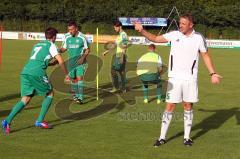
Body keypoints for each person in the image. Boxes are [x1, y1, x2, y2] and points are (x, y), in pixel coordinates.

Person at [134, 13, 222, 146]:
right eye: (180, 23)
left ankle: (187, 138)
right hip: (174, 78)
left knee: (188, 106)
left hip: (190, 79)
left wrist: (213, 73)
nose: (180, 25)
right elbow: (156, 39)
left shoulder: (199, 38)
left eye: (183, 23)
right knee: (169, 106)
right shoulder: (175, 35)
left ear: (191, 25)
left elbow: (205, 56)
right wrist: (142, 31)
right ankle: (162, 137)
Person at [2, 27, 69, 134]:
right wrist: (66, 74)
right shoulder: (51, 45)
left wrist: (51, 63)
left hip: (25, 72)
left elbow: (37, 60)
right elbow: (61, 60)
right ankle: (40, 120)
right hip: (36, 73)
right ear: (54, 37)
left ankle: (7, 121)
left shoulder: (37, 45)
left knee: (25, 99)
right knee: (50, 93)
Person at [59, 21, 90, 104]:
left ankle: (80, 98)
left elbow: (87, 49)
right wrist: (57, 50)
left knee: (80, 78)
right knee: (73, 80)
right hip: (71, 63)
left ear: (76, 29)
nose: (70, 31)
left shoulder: (82, 37)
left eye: (72, 29)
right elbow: (63, 48)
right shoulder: (67, 37)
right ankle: (76, 95)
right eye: (69, 29)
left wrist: (83, 58)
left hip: (80, 63)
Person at [103, 21, 128, 93]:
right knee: (121, 72)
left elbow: (124, 46)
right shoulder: (120, 35)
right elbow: (115, 45)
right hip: (119, 55)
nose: (114, 29)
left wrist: (122, 57)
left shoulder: (123, 35)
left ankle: (116, 87)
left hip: (120, 55)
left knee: (113, 70)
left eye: (115, 27)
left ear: (119, 27)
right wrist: (106, 51)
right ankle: (123, 88)